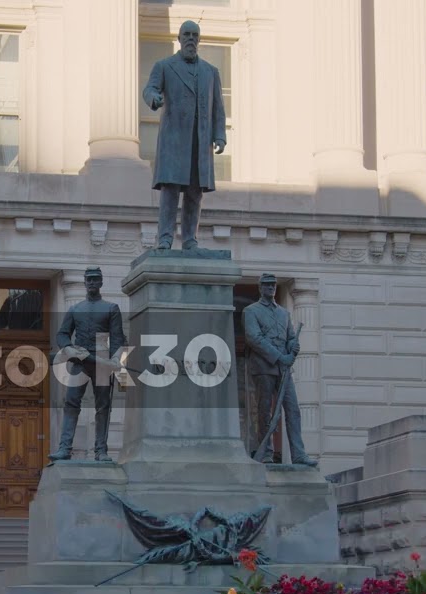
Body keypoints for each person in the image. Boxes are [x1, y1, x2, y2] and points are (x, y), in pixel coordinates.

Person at [142, 19, 227, 251]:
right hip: (174, 141)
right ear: (179, 39)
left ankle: (190, 239)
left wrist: (220, 135)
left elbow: (218, 108)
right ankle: (165, 238)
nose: (190, 39)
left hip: (200, 142)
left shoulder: (211, 72)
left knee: (194, 192)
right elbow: (150, 89)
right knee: (170, 192)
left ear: (199, 40)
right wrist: (153, 98)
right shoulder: (164, 66)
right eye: (186, 34)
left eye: (194, 35)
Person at [50, 267, 127, 462]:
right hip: (80, 362)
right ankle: (64, 449)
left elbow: (117, 338)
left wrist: (116, 360)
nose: (92, 282)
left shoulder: (111, 308)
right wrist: (68, 348)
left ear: (101, 282)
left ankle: (101, 450)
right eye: (89, 279)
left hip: (102, 363)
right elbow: (62, 334)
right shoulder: (75, 309)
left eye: (95, 279)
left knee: (103, 406)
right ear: (85, 282)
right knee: (71, 403)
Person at [241, 274, 318, 467]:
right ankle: (266, 452)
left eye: (273, 285)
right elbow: (254, 338)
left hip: (283, 369)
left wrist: (293, 346)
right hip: (264, 367)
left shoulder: (284, 313)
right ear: (260, 288)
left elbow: (290, 336)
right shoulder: (251, 311)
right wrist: (279, 356)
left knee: (293, 410)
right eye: (267, 285)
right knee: (264, 411)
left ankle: (298, 453)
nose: (271, 288)